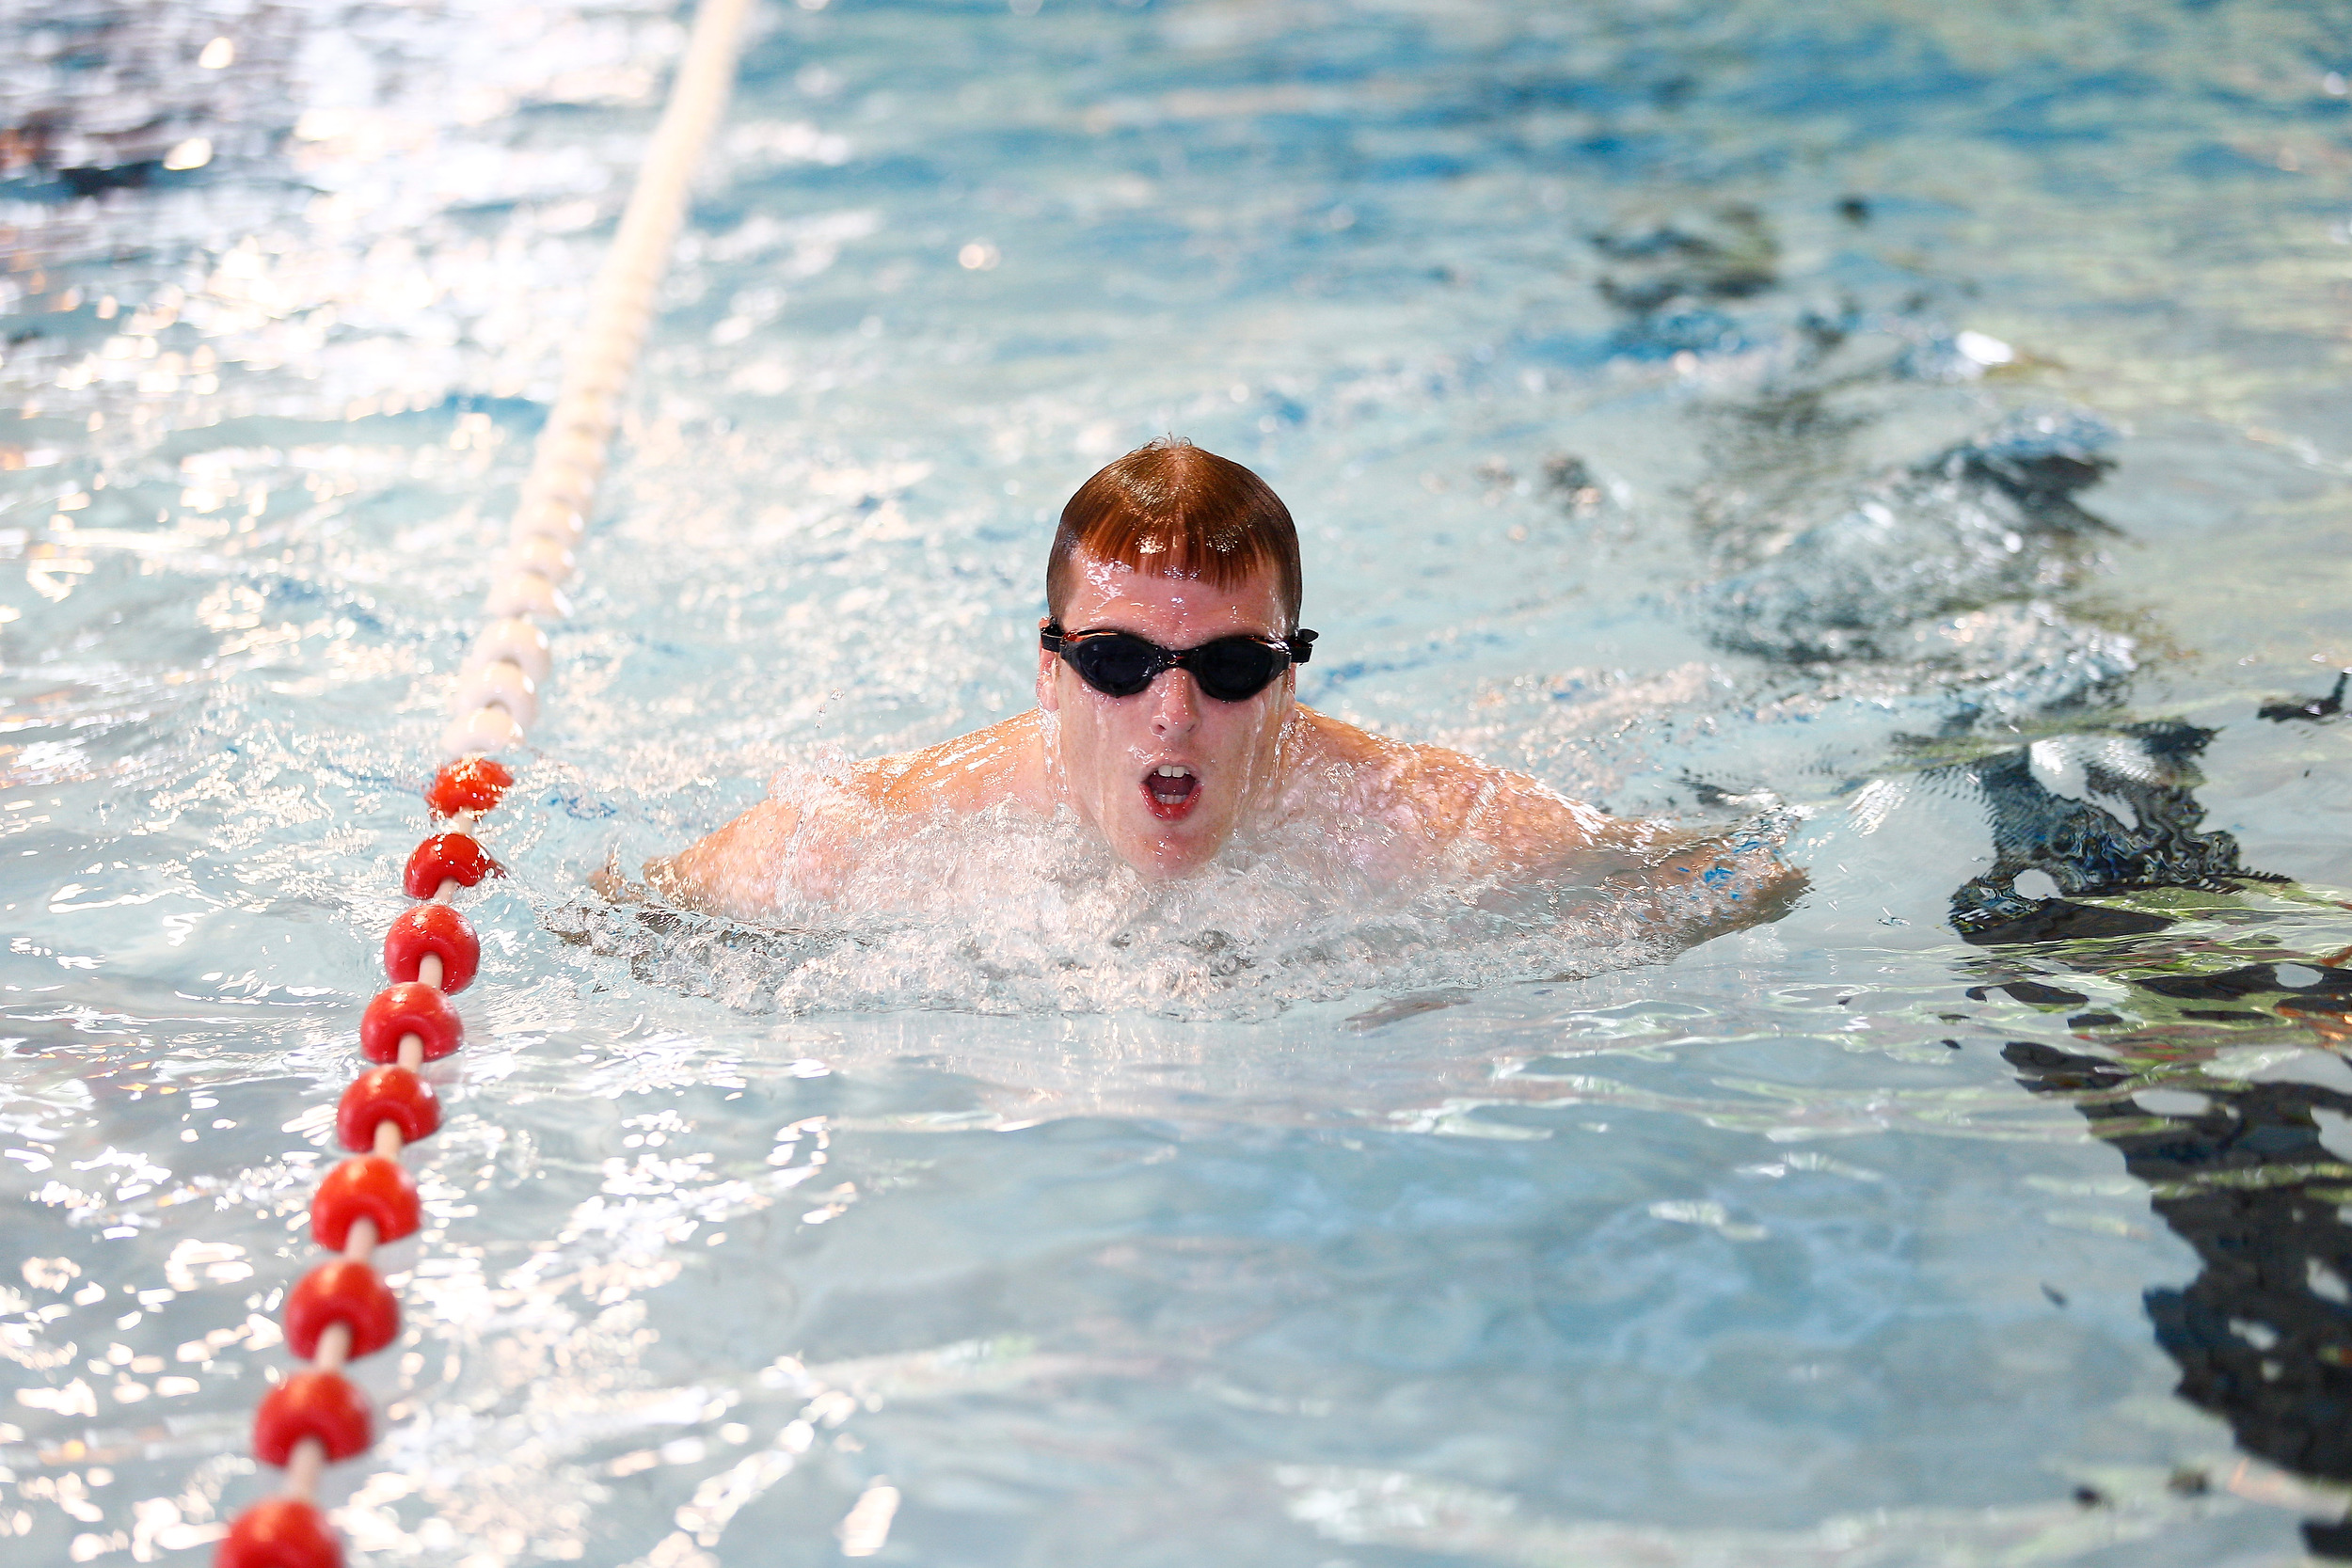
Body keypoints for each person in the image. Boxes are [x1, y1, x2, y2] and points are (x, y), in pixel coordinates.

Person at [631, 438, 1801, 941]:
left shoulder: (1425, 822)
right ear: (1050, 671)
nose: (1172, 713)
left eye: (1232, 666)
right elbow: (632, 911)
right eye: (1118, 660)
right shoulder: (877, 834)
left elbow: (1744, 875)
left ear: (1288, 685)